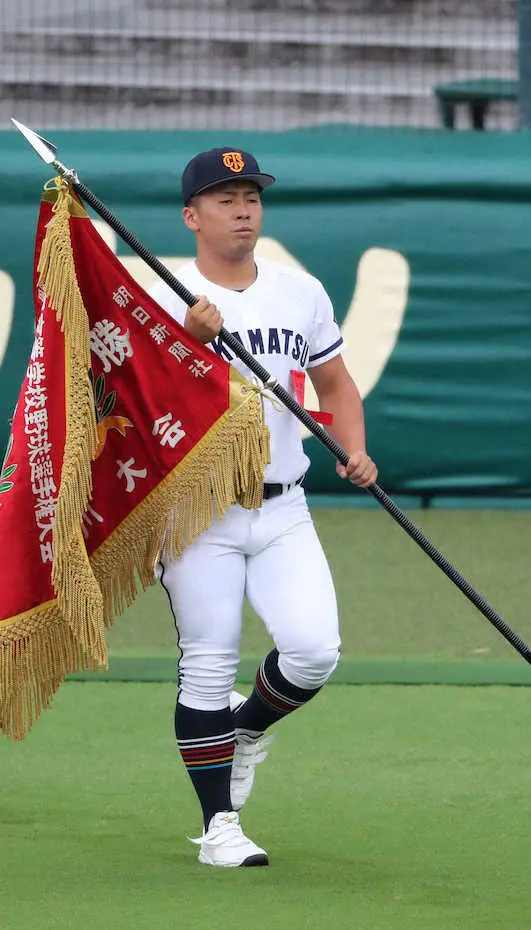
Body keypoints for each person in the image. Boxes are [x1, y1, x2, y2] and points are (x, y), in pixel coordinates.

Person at [148, 146, 377, 868]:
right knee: (207, 664)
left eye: (251, 196)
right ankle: (219, 825)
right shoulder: (161, 292)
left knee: (314, 650)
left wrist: (353, 446)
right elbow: (131, 396)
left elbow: (336, 385)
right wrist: (187, 345)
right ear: (192, 216)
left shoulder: (299, 291)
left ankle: (245, 732)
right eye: (224, 198)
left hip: (284, 503)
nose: (243, 208)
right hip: (195, 510)